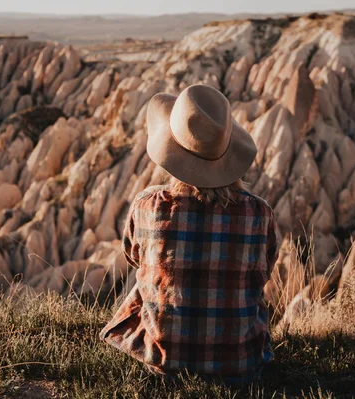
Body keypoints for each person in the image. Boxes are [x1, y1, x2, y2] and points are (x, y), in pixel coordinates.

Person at [100, 84, 279, 387]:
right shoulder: (259, 213)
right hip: (241, 366)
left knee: (144, 284)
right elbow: (265, 270)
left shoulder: (147, 206)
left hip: (162, 363)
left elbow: (133, 256)